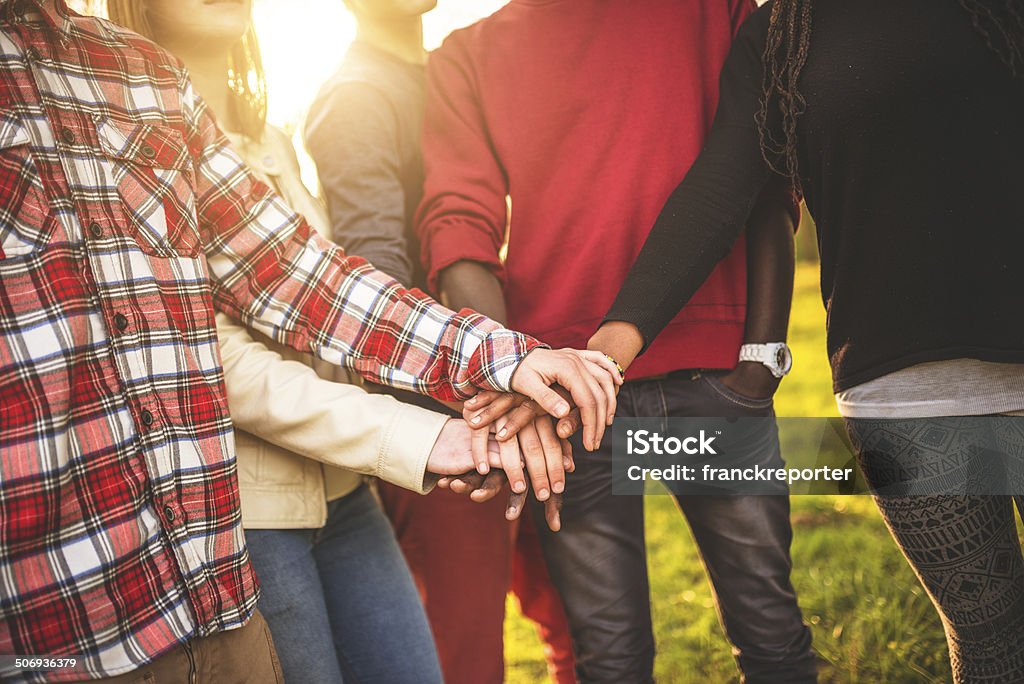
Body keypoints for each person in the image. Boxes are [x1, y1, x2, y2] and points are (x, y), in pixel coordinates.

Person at [0, 1, 621, 682]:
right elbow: (221, 361)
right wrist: (422, 432)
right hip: (228, 519)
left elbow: (303, 277)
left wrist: (504, 359)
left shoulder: (149, 85)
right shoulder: (349, 97)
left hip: (314, 508)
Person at [590, 1, 1024, 681]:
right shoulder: (778, 35)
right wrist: (603, 353)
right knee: (991, 639)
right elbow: (718, 191)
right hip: (901, 395)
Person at [99, 2, 510, 682]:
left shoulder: (271, 140)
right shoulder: (123, 146)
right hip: (246, 513)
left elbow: (328, 300)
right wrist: (417, 434)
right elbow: (221, 366)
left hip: (347, 493)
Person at [416, 1, 817, 681]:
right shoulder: (464, 53)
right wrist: (519, 375)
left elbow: (767, 177)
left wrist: (761, 357)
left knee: (771, 628)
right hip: (567, 403)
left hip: (714, 377)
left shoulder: (710, 10)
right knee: (609, 657)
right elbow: (458, 225)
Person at [303, 1, 576, 681]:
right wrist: (466, 420)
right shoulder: (357, 96)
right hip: (451, 424)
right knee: (462, 655)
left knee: (583, 624)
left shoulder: (453, 70)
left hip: (521, 395)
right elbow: (375, 274)